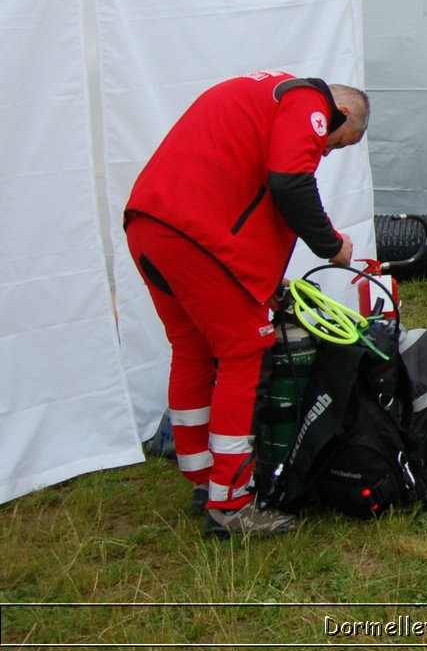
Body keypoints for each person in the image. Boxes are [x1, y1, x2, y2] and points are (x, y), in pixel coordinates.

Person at [123, 72, 368, 539]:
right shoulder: (309, 100)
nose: (327, 151)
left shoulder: (258, 96)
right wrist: (331, 244)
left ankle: (203, 478)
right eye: (338, 144)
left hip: (149, 225)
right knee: (243, 354)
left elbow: (243, 191)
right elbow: (289, 183)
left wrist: (264, 283)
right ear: (342, 116)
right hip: (198, 239)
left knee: (192, 349)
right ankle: (231, 505)